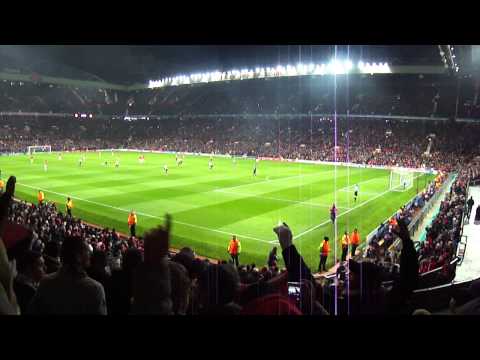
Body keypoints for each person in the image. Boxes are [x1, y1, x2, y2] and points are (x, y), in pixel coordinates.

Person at [28, 236, 107, 315]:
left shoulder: (45, 281)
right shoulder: (95, 289)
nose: (90, 254)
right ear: (78, 256)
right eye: (87, 251)